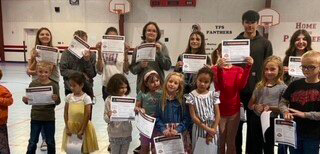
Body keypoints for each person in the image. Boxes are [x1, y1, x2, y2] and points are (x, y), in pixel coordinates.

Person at [235, 10, 273, 154]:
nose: (250, 25)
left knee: (253, 128)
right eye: (247, 22)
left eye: (253, 22)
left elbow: (268, 66)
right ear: (243, 23)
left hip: (256, 93)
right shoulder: (235, 41)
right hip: (237, 92)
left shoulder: (265, 43)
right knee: (237, 127)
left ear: (257, 24)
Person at [279, 50, 320, 154]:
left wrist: (305, 115)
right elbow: (283, 102)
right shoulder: (294, 84)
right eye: (303, 66)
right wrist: (285, 112)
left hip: (313, 133)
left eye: (311, 67)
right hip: (293, 131)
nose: (306, 70)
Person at [212, 53, 253, 154]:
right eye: (221, 52)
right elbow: (221, 85)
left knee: (231, 143)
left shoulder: (238, 69)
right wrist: (220, 68)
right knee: (220, 142)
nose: (225, 55)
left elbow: (241, 86)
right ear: (218, 53)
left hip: (234, 110)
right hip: (219, 111)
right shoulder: (214, 69)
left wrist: (248, 67)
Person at [26, 27, 59, 151]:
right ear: (38, 36)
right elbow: (29, 71)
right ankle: (44, 138)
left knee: (48, 109)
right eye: (42, 34)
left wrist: (50, 68)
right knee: (39, 108)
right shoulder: (33, 51)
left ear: (50, 36)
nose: (45, 36)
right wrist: (35, 59)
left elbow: (54, 69)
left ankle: (46, 137)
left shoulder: (56, 50)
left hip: (52, 82)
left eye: (47, 34)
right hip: (37, 83)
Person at [248, 56, 287, 154]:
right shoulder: (259, 85)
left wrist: (271, 108)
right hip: (256, 119)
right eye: (266, 69)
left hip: (271, 121)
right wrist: (255, 107)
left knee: (269, 147)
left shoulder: (283, 87)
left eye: (272, 69)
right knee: (255, 146)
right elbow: (250, 105)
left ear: (279, 70)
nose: (269, 72)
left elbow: (283, 108)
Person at [22, 62, 60, 154]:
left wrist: (56, 98)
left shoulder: (54, 85)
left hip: (49, 117)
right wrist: (25, 100)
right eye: (40, 72)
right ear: (37, 72)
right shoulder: (33, 84)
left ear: (50, 73)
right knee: (32, 141)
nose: (43, 74)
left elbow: (58, 101)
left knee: (50, 142)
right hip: (36, 116)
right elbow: (30, 101)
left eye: (46, 72)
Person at [61, 72, 99, 153]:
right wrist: (67, 127)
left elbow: (87, 115)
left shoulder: (86, 98)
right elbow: (65, 113)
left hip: (83, 127)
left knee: (84, 150)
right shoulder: (69, 97)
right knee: (72, 150)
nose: (71, 88)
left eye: (74, 86)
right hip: (71, 127)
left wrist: (82, 130)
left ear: (81, 85)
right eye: (70, 85)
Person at [130, 21, 171, 93]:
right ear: (144, 33)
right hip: (142, 88)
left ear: (157, 34)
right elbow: (133, 70)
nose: (151, 33)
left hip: (158, 88)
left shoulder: (162, 47)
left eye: (154, 31)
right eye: (149, 30)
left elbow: (167, 67)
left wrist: (160, 53)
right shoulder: (138, 48)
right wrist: (140, 66)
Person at [185, 67, 220, 153]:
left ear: (210, 83)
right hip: (199, 127)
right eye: (200, 80)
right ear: (196, 79)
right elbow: (193, 116)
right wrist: (208, 129)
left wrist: (213, 130)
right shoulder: (191, 96)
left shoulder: (213, 95)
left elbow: (218, 114)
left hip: (213, 128)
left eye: (206, 82)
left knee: (211, 150)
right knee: (199, 150)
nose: (202, 84)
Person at [155, 72, 192, 153]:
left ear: (179, 86)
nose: (172, 84)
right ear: (166, 82)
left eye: (175, 83)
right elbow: (157, 117)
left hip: (179, 133)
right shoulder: (160, 99)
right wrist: (163, 129)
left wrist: (178, 129)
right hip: (164, 133)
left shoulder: (182, 100)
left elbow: (187, 118)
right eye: (170, 81)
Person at [96, 27, 130, 100]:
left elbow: (126, 70)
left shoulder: (122, 50)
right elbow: (99, 70)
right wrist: (99, 52)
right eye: (109, 38)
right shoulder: (102, 50)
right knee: (108, 108)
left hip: (120, 85)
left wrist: (126, 53)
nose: (112, 40)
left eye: (114, 38)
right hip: (107, 85)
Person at [60, 30, 96, 97]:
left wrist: (87, 61)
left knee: (88, 107)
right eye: (78, 41)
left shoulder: (92, 55)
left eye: (83, 41)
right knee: (71, 107)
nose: (80, 44)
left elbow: (92, 74)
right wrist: (81, 74)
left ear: (86, 41)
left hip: (87, 88)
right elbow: (63, 71)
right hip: (70, 88)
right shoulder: (66, 53)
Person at [134, 70, 162, 154]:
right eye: (152, 82)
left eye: (157, 81)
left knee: (155, 148)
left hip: (158, 124)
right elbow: (137, 106)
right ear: (146, 84)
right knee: (144, 147)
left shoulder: (162, 93)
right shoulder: (142, 93)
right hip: (145, 124)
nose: (156, 83)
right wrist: (139, 109)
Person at [104, 74, 132, 154]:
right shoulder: (108, 100)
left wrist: (134, 111)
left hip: (126, 133)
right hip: (114, 133)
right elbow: (105, 118)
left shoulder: (128, 99)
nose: (124, 90)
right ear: (114, 87)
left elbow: (131, 115)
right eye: (121, 88)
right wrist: (108, 116)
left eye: (125, 87)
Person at [0, 69, 13, 154]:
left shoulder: (3, 90)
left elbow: (10, 100)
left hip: (1, 123)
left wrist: (0, 100)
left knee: (2, 145)